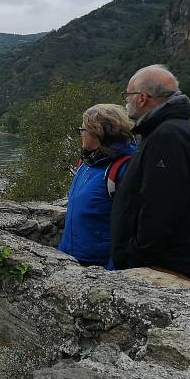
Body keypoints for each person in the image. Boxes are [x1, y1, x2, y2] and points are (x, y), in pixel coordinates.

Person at [110, 64, 190, 283]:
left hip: (166, 267)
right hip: (165, 263)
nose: (125, 100)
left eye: (127, 95)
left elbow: (159, 205)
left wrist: (136, 256)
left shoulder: (168, 135)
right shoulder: (170, 130)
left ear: (142, 98)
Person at [59, 104, 136, 266]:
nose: (81, 134)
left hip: (98, 266)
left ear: (98, 132)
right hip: (69, 259)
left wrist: (111, 273)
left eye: (84, 129)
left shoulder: (124, 168)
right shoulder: (86, 163)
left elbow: (131, 228)